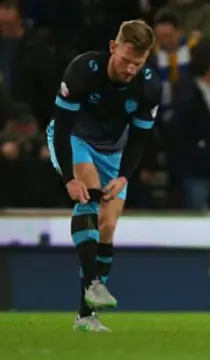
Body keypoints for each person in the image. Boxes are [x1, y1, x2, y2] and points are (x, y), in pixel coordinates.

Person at [46, 20, 161, 332]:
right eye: (125, 60)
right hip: (75, 139)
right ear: (113, 47)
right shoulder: (83, 70)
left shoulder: (150, 86)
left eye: (137, 64)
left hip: (114, 152)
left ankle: (85, 317)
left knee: (107, 226)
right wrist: (70, 178)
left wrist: (124, 176)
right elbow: (63, 124)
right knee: (90, 192)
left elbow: (139, 138)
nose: (129, 70)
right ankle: (94, 282)